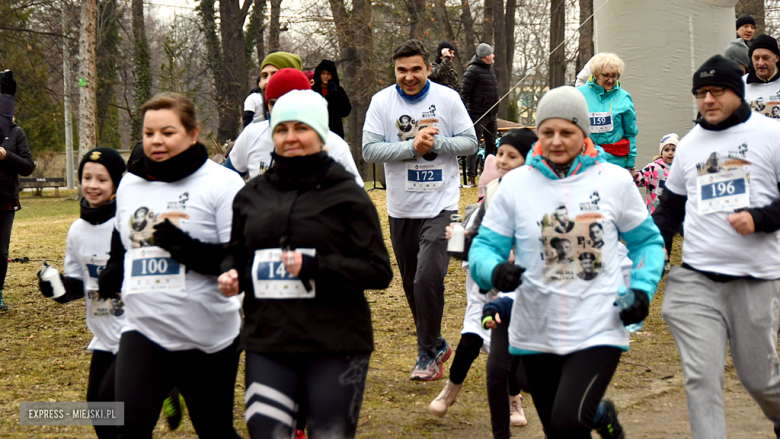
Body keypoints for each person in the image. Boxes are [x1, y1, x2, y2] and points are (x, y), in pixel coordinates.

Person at [470, 85, 664, 439]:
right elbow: (484, 247)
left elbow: (647, 243)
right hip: (536, 328)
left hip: (599, 323)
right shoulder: (514, 185)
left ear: (584, 133)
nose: (556, 141)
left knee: (569, 421)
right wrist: (495, 270)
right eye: (547, 132)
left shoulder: (614, 182)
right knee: (560, 432)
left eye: (567, 132)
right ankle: (602, 415)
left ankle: (593, 413)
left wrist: (641, 290)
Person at [217, 89, 392, 438]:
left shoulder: (348, 195)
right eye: (282, 129)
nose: (290, 137)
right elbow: (236, 249)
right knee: (266, 432)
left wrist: (315, 265)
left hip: (335, 341)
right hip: (269, 339)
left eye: (301, 128)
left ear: (320, 133)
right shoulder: (251, 195)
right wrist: (230, 271)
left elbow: (378, 270)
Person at [97, 92, 244, 438]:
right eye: (149, 134)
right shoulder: (131, 184)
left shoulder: (222, 184)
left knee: (215, 430)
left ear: (192, 133)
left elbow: (235, 255)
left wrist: (180, 245)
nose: (156, 141)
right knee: (129, 426)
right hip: (145, 327)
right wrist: (114, 269)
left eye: (167, 132)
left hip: (207, 334)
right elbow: (122, 238)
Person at [653, 54, 780, 439]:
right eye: (701, 93)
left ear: (737, 93)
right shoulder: (689, 146)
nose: (707, 100)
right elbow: (669, 211)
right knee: (701, 377)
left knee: (760, 380)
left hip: (755, 277)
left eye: (717, 91)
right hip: (697, 279)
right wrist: (647, 247)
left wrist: (759, 219)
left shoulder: (770, 135)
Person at [362, 39, 478, 380]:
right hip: (401, 208)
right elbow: (369, 150)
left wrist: (437, 143)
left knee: (429, 276)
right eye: (402, 70)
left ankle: (426, 354)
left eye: (416, 69)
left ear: (428, 68)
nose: (409, 76)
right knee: (414, 284)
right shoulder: (381, 102)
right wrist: (409, 147)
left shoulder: (448, 98)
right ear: (394, 71)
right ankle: (437, 343)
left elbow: (470, 142)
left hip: (442, 205)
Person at [429, 129, 537, 436]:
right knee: (471, 337)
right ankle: (449, 391)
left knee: (508, 351)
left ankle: (514, 399)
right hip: (483, 281)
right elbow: (472, 241)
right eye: (500, 153)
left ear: (530, 161)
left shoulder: (540, 195)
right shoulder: (492, 192)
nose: (502, 160)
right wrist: (458, 242)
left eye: (511, 156)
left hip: (519, 285)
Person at [37, 148, 126, 439]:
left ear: (116, 185)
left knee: (113, 404)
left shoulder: (126, 225)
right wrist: (56, 287)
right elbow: (76, 283)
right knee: (98, 408)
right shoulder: (76, 230)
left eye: (102, 179)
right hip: (102, 333)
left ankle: (167, 384)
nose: (92, 185)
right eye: (87, 177)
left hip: (135, 331)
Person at [225, 68, 363, 186]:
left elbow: (358, 206)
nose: (280, 111)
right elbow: (222, 180)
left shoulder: (334, 145)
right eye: (274, 104)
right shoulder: (252, 135)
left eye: (287, 103)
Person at [0, 70, 33, 312]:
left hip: (5, 201)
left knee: (1, 251)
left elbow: (28, 167)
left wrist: (6, 156)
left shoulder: (16, 133)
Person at [577, 53, 638, 176]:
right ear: (595, 74)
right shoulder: (579, 94)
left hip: (615, 162)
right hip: (585, 161)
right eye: (606, 75)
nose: (611, 80)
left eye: (614, 76)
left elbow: (630, 133)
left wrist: (630, 164)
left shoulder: (624, 97)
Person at [461, 43, 499, 186]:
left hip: (491, 114)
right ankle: (471, 176)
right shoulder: (472, 71)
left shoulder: (490, 70)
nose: (493, 56)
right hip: (477, 114)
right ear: (486, 56)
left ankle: (489, 174)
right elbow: (464, 93)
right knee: (473, 145)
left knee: (491, 145)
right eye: (491, 54)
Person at [635, 133, 678, 214]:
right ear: (661, 153)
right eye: (666, 150)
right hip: (655, 213)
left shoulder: (681, 169)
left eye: (674, 150)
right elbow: (640, 177)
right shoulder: (653, 168)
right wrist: (632, 174)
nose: (670, 153)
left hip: (675, 216)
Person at [312, 60, 352, 139]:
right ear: (319, 74)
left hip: (335, 134)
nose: (325, 76)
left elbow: (346, 111)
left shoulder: (339, 91)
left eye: (328, 74)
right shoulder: (313, 91)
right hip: (316, 133)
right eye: (323, 73)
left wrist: (335, 94)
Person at [744, 35, 780, 117]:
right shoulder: (741, 84)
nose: (761, 63)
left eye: (765, 58)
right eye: (756, 58)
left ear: (776, 58)